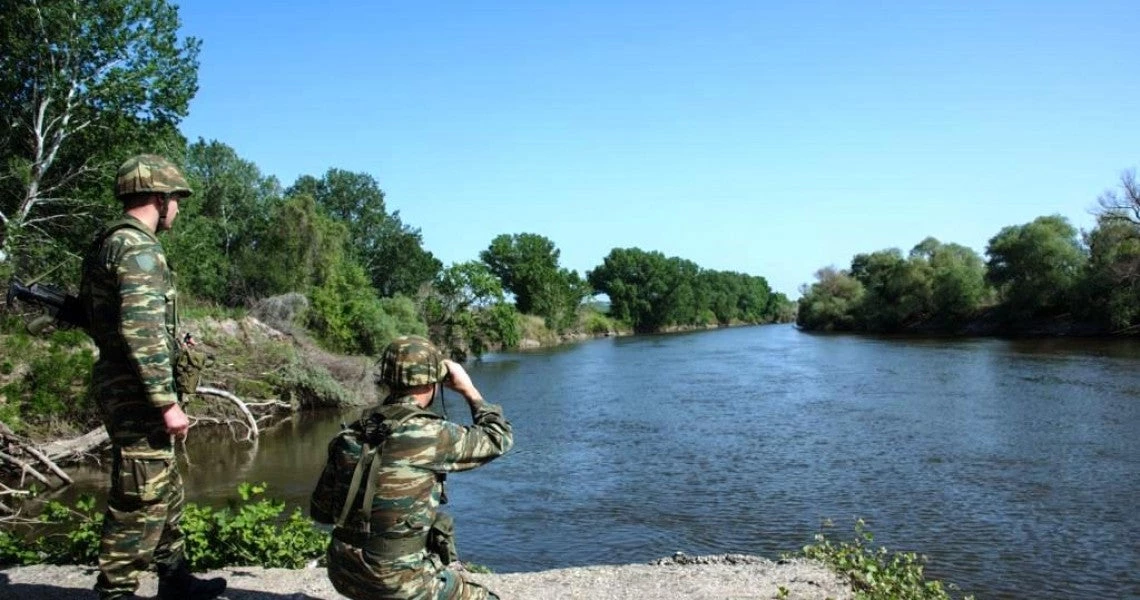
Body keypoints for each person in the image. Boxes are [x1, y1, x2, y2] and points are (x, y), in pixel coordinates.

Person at [80, 154, 226, 600]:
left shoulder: (111, 242)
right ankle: (116, 592)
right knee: (139, 495)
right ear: (158, 199)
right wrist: (167, 403)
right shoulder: (138, 248)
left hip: (126, 384)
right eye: (176, 200)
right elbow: (140, 331)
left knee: (165, 486)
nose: (178, 209)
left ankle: (175, 577)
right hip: (138, 393)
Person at [325, 335, 513, 600]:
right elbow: (498, 437)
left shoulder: (352, 435)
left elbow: (322, 511)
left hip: (343, 573)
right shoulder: (431, 435)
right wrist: (469, 390)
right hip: (397, 584)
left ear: (387, 379)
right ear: (433, 382)